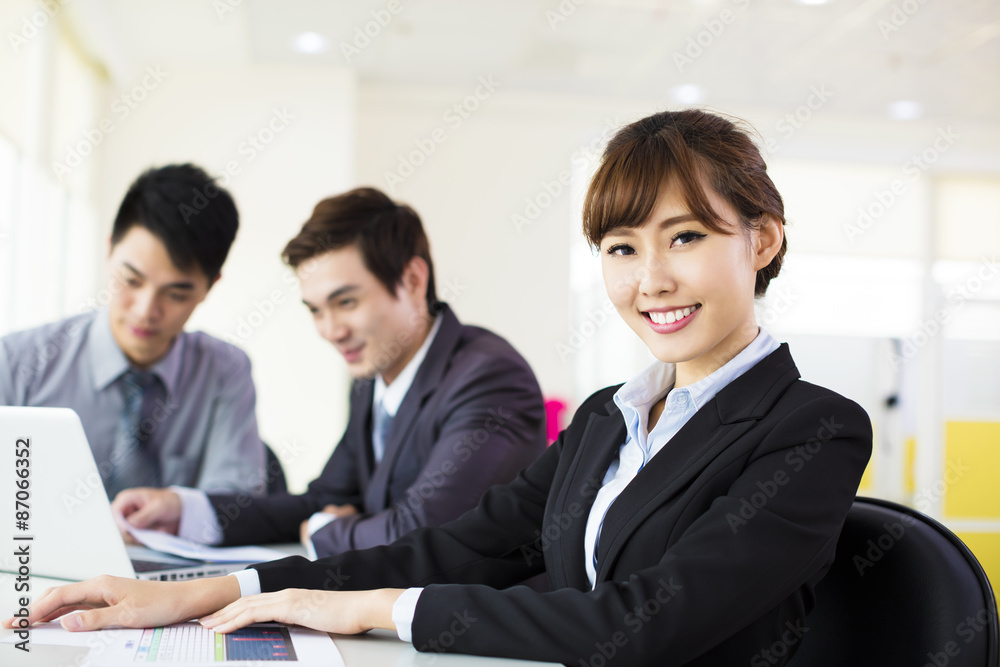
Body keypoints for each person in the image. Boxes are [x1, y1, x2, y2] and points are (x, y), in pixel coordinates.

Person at [8, 110, 873, 666]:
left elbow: (644, 622)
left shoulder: (815, 428)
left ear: (760, 241)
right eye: (620, 247)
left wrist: (372, 609)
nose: (650, 278)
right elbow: (456, 546)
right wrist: (221, 592)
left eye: (683, 237)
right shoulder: (612, 417)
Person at [109, 187, 548, 559]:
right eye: (316, 310)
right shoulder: (372, 383)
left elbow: (423, 535)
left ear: (413, 280)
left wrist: (323, 531)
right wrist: (185, 510)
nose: (330, 331)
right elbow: (323, 500)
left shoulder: (489, 377)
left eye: (346, 302)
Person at [0, 164, 266, 501]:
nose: (145, 311)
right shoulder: (17, 363)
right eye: (131, 280)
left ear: (209, 287)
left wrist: (180, 508)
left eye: (176, 294)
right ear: (109, 251)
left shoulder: (225, 372)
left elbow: (238, 501)